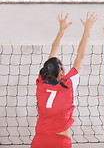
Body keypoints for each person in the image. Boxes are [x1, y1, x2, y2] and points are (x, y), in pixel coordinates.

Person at [31, 12, 98, 148]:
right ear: (62, 72)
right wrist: (87, 29)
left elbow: (52, 54)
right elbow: (80, 54)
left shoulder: (41, 83)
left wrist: (61, 29)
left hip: (39, 140)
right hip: (60, 142)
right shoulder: (68, 85)